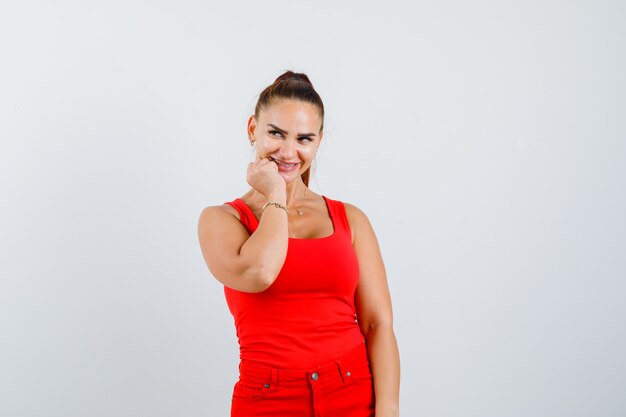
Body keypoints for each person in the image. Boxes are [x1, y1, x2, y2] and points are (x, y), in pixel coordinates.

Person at [197, 70, 400, 417]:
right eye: (276, 133)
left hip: (353, 392)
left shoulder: (350, 220)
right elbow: (258, 272)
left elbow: (377, 324)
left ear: (319, 141)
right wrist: (275, 194)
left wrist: (388, 410)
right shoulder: (223, 220)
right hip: (267, 400)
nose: (288, 151)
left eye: (304, 138)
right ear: (252, 129)